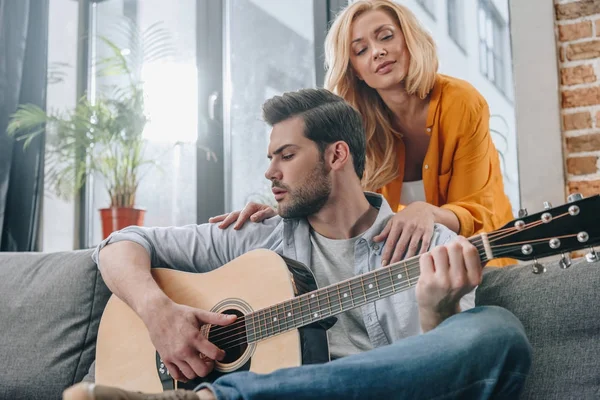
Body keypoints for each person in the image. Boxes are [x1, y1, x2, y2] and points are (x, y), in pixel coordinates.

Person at [63, 89, 530, 400]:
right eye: (271, 158)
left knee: (499, 331)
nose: (270, 173)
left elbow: (448, 378)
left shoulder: (434, 247)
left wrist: (436, 312)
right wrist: (158, 312)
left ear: (336, 155)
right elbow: (120, 242)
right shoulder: (255, 238)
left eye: (286, 156)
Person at [210, 0, 514, 267]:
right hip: (407, 275)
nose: (378, 52)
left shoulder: (460, 101)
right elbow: (343, 207)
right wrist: (283, 215)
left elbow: (477, 212)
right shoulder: (356, 127)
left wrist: (427, 212)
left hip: (486, 258)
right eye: (361, 50)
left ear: (409, 40)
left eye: (386, 37)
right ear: (354, 68)